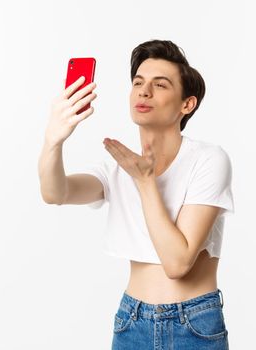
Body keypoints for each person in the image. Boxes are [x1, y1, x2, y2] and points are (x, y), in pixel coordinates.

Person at [38, 39, 234, 349]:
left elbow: (178, 263)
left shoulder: (209, 160)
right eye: (138, 83)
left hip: (194, 326)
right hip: (133, 322)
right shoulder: (117, 167)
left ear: (187, 104)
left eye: (161, 85)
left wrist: (145, 182)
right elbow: (55, 192)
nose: (144, 91)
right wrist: (53, 141)